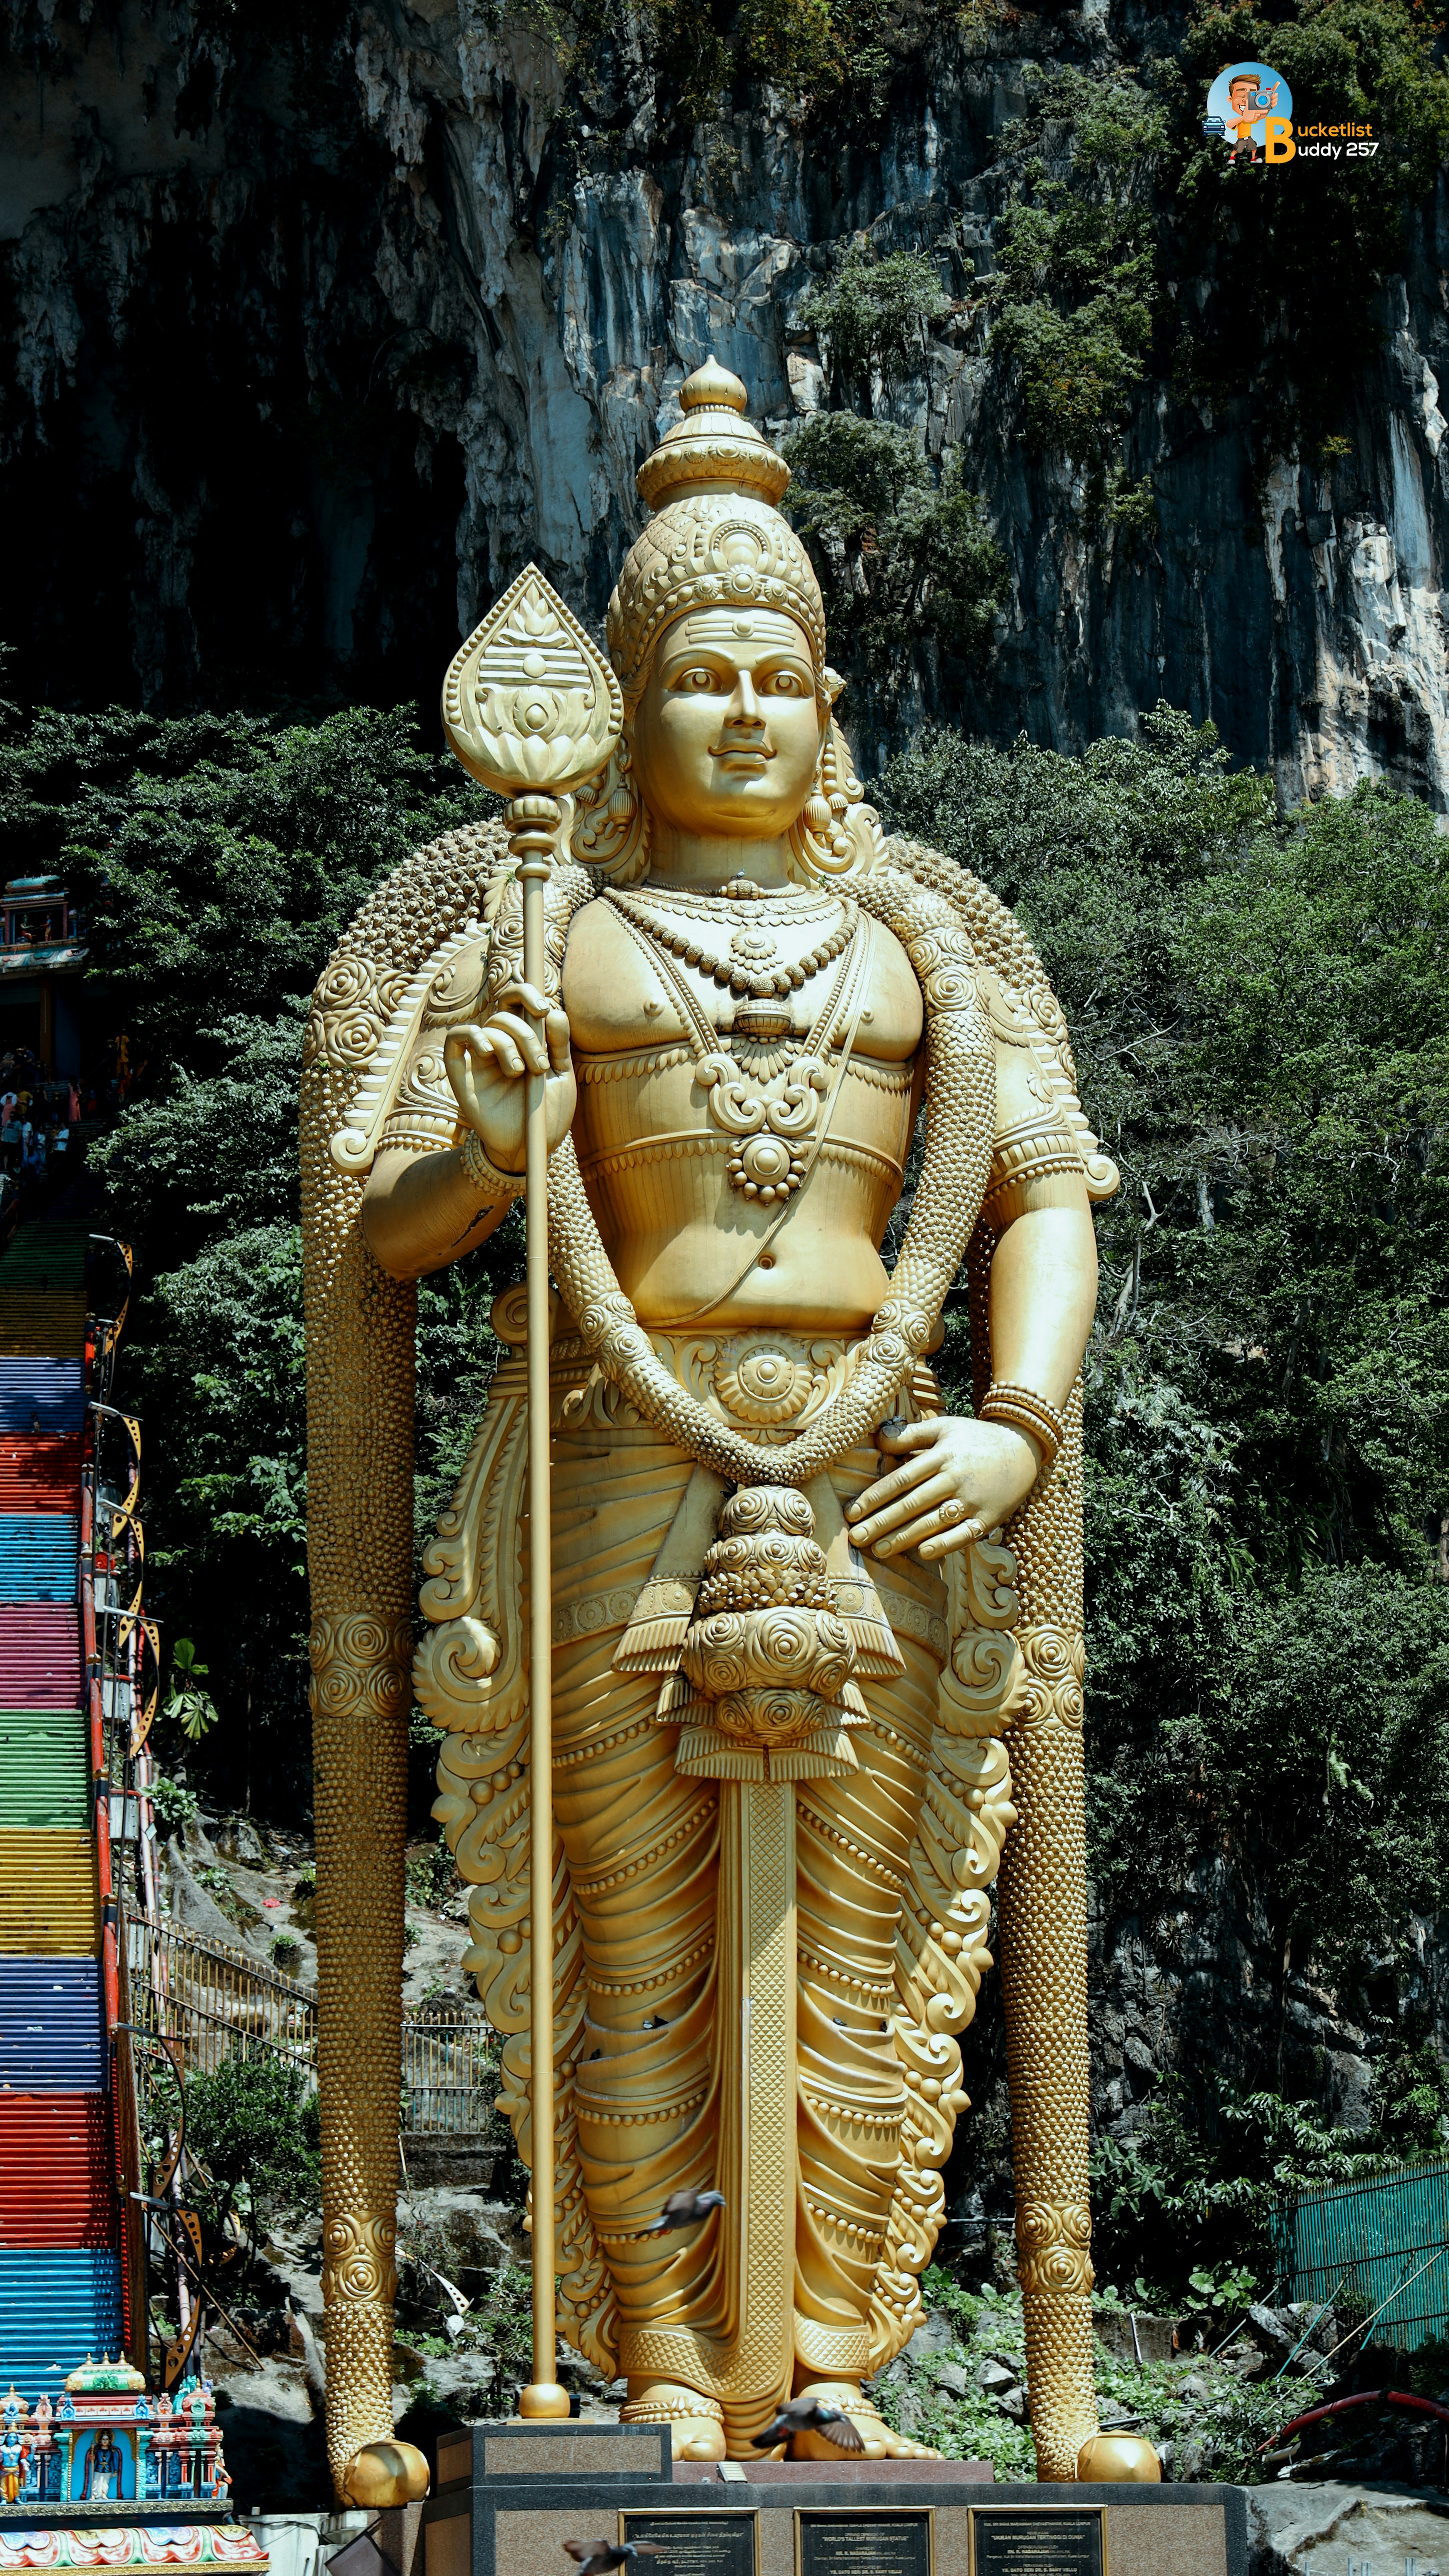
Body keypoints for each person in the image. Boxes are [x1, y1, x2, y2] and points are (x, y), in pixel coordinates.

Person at [304, 360, 1139, 2488]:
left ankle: (841, 2355)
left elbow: (1043, 1193)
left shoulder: (927, 942)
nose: (744, 710)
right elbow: (389, 1235)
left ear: (832, 703)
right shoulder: (541, 926)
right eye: (699, 675)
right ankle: (661, 2358)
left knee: (870, 1944)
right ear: (629, 714)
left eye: (782, 672)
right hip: (614, 1472)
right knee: (633, 1947)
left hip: (889, 1470)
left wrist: (1020, 1421)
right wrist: (488, 1144)